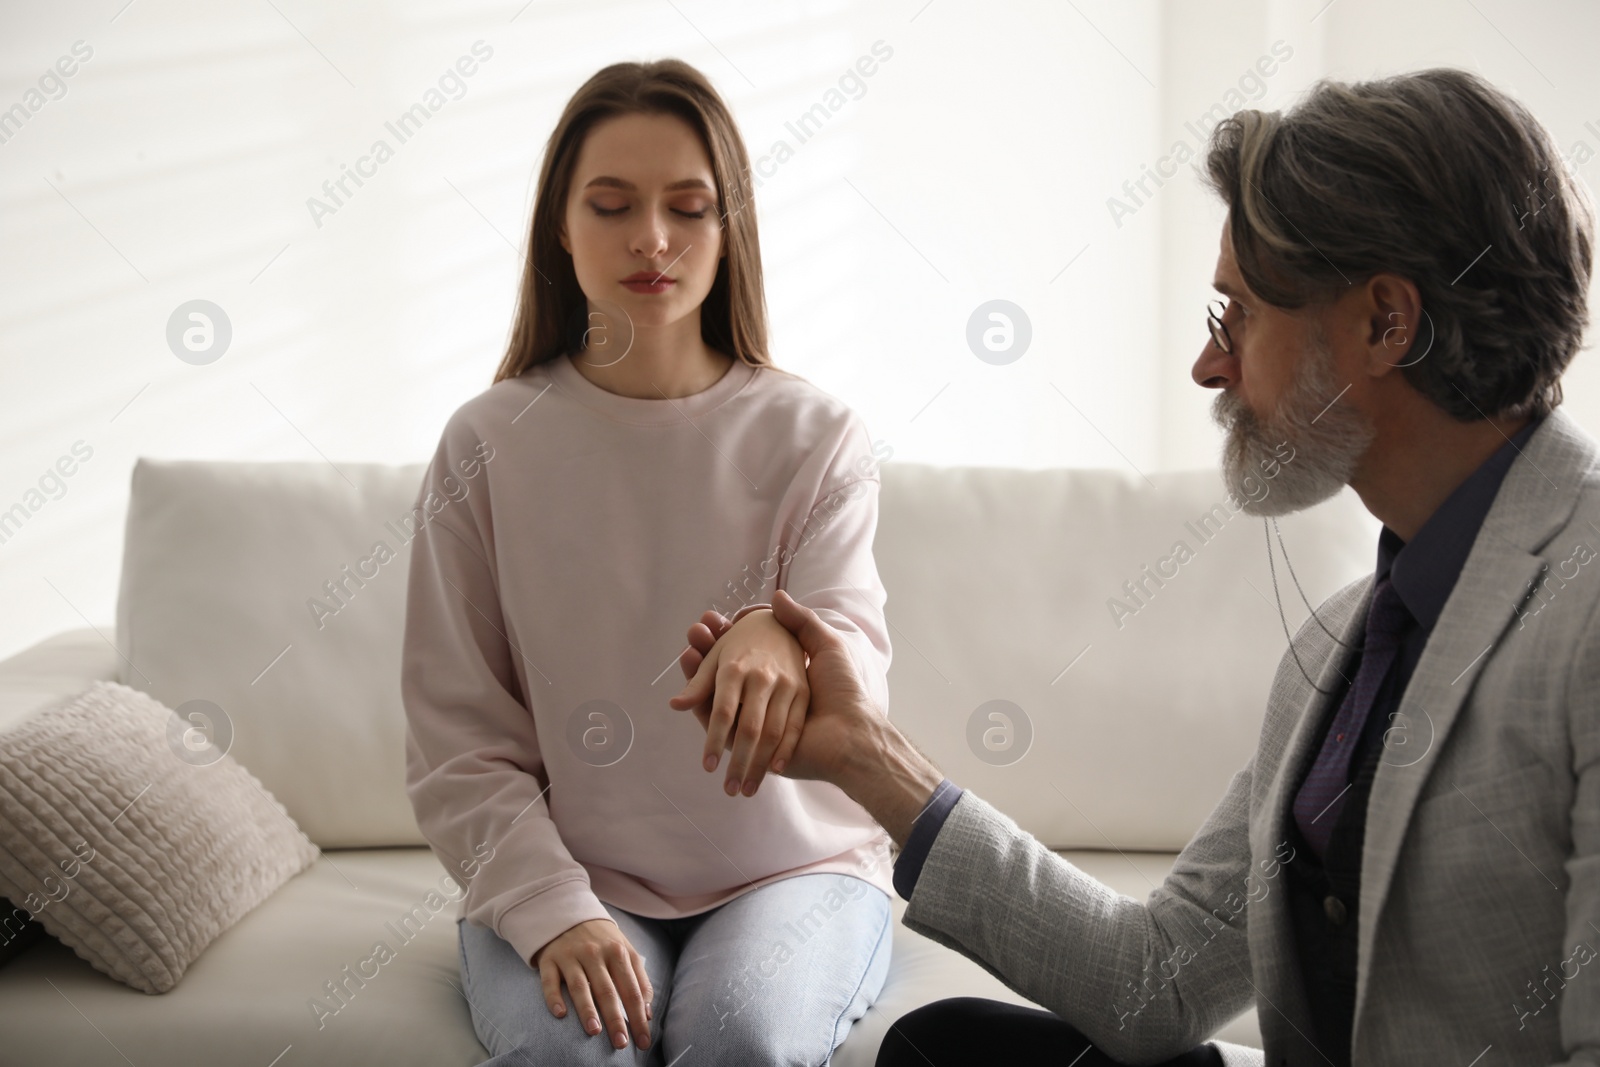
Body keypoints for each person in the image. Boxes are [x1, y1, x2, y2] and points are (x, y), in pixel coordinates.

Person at [674, 68, 1599, 1067]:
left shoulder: (1582, 609)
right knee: (949, 1048)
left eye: (1236, 312)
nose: (1210, 366)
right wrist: (867, 755)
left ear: (1383, 321)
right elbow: (1153, 979)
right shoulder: (1344, 645)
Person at [400, 59, 897, 1066]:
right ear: (559, 225)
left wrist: (779, 635)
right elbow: (457, 739)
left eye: (689, 207)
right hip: (573, 870)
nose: (652, 240)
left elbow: (854, 673)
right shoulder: (487, 443)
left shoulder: (817, 436)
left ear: (731, 228)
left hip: (793, 870)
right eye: (612, 204)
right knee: (571, 1054)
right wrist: (550, 908)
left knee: (739, 1041)